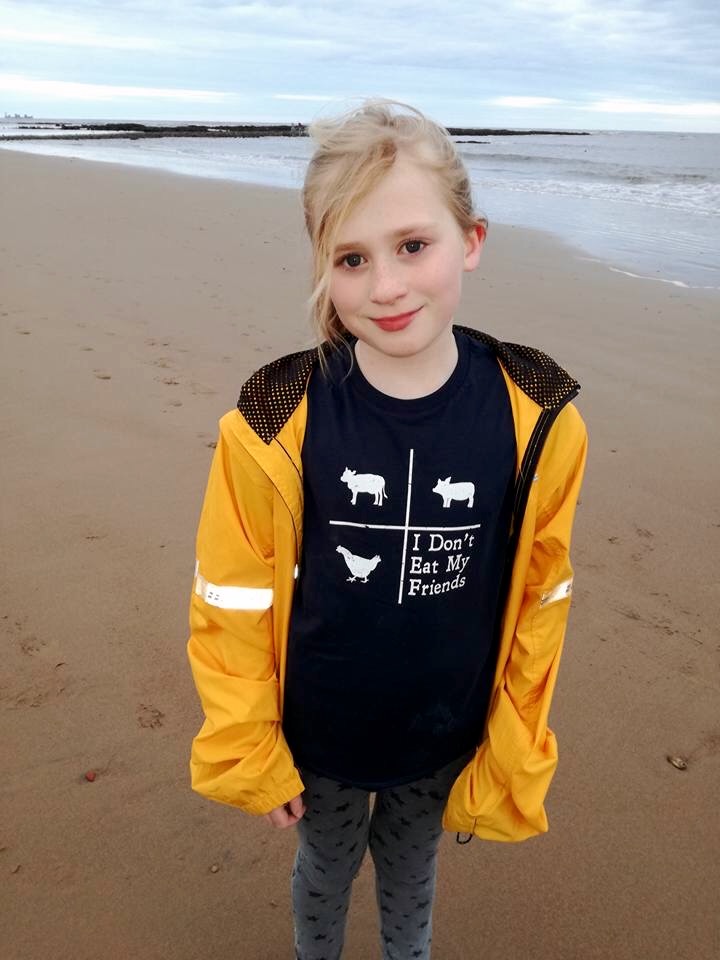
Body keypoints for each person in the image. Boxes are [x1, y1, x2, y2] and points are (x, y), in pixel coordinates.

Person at [187, 99, 588, 960]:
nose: (387, 285)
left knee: (412, 874)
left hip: (441, 733)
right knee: (324, 871)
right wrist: (248, 745)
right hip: (319, 734)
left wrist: (512, 744)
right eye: (352, 258)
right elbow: (229, 596)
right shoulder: (273, 421)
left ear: (471, 240)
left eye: (414, 245)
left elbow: (542, 597)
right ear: (323, 268)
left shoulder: (538, 420)